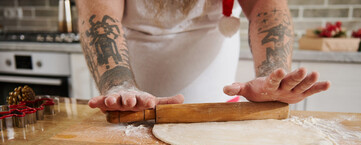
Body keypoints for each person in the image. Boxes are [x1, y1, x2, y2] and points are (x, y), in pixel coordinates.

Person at [75, 0, 330, 113]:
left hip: (218, 106)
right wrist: (119, 84)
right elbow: (100, 16)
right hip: (132, 105)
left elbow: (266, 6)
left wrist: (271, 74)